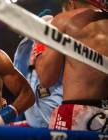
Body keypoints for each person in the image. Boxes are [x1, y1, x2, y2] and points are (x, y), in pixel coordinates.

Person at [36, 0, 108, 132]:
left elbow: (46, 79)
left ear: (71, 3)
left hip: (76, 112)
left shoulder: (65, 20)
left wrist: (39, 45)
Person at [13, 10, 63, 128]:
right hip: (35, 120)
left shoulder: (61, 42)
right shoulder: (24, 46)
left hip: (58, 118)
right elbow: (21, 82)